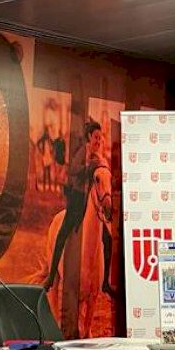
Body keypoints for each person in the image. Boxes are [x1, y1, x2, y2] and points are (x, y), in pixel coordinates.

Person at [44, 120, 104, 290]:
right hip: (77, 198)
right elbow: (73, 170)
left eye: (100, 138)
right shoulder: (83, 151)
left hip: (90, 201)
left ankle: (104, 281)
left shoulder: (98, 156)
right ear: (89, 137)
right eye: (96, 137)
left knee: (104, 237)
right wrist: (89, 167)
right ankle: (51, 276)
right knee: (63, 232)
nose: (98, 141)